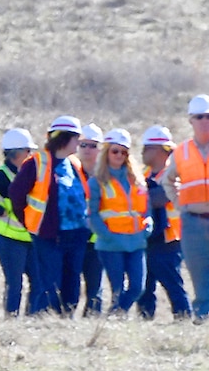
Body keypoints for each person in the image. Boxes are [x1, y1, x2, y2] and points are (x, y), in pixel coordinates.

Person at [9, 115, 90, 316]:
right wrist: (29, 221)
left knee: (72, 283)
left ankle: (66, 320)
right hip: (49, 236)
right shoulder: (37, 163)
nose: (79, 143)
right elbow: (16, 194)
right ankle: (42, 322)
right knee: (49, 284)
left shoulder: (74, 164)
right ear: (65, 138)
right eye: (76, 139)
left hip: (77, 234)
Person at [0, 128, 39, 317]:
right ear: (17, 153)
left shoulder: (31, 173)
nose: (31, 155)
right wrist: (0, 210)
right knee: (15, 283)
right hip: (8, 238)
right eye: (28, 151)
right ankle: (11, 321)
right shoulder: (2, 175)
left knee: (39, 281)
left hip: (30, 238)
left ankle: (32, 319)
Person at [87, 129, 151, 316]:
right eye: (115, 151)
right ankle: (116, 320)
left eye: (124, 152)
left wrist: (147, 225)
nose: (119, 156)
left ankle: (113, 316)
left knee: (137, 288)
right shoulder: (96, 181)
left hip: (136, 241)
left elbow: (144, 209)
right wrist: (107, 236)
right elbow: (93, 214)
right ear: (106, 152)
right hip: (111, 244)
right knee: (117, 290)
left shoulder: (138, 180)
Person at [137, 125, 191, 320]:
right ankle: (145, 320)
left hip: (169, 240)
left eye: (147, 148)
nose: (142, 152)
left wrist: (136, 198)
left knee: (172, 284)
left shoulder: (173, 174)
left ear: (162, 150)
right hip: (148, 238)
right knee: (144, 287)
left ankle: (184, 319)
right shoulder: (143, 175)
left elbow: (160, 198)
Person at [163, 94, 209, 322]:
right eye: (200, 117)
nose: (205, 121)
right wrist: (181, 204)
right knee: (199, 274)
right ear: (191, 120)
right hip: (192, 221)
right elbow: (167, 180)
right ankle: (202, 318)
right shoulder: (181, 151)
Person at [78, 123, 105, 316]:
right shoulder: (68, 169)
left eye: (93, 145)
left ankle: (92, 320)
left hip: (97, 240)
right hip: (73, 236)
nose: (87, 150)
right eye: (83, 145)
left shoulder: (106, 175)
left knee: (95, 287)